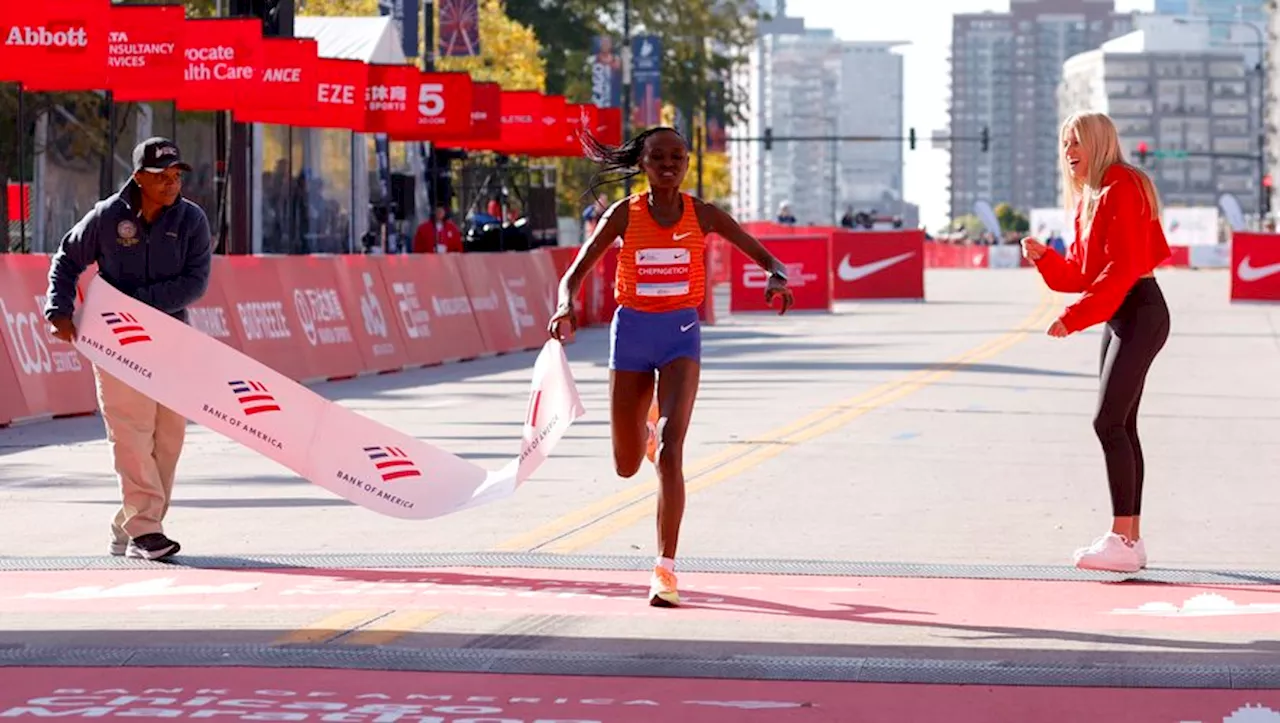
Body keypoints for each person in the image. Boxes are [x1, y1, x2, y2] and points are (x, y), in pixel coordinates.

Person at [548, 125, 794, 607]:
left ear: (686, 163)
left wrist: (775, 279)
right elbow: (574, 273)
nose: (669, 164)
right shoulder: (624, 214)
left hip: (680, 334)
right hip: (632, 336)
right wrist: (565, 305)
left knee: (674, 448)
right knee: (624, 464)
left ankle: (665, 570)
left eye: (678, 157)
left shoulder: (703, 214)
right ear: (643, 163)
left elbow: (769, 259)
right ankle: (646, 424)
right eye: (658, 156)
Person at [43, 137, 213, 561]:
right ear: (138, 177)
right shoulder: (107, 216)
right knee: (131, 431)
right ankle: (146, 530)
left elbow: (196, 282)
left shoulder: (192, 220)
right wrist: (58, 308)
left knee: (168, 437)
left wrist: (137, 304)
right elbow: (66, 258)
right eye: (162, 176)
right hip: (115, 340)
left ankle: (130, 523)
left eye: (176, 175)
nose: (172, 183)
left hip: (171, 340)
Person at [1020, 111, 1171, 574]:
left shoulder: (1122, 185)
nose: (1068, 151)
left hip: (1140, 309)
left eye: (1076, 142)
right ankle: (1131, 540)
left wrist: (1075, 318)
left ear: (1100, 143)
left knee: (1108, 423)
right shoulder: (1091, 197)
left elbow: (1122, 270)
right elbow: (1083, 275)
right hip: (1124, 312)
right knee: (1121, 426)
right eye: (1064, 142)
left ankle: (1121, 539)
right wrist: (1046, 259)